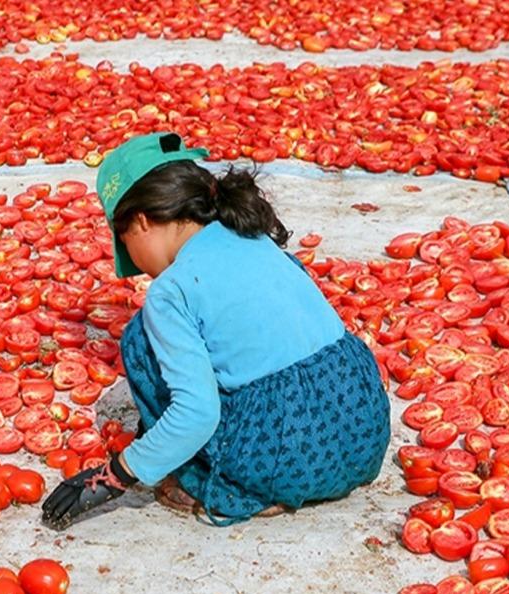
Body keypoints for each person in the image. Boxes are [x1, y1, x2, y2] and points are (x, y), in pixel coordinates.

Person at [41, 132, 391, 529]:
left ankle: (238, 486)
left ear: (139, 222)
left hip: (291, 459)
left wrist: (117, 474)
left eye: (122, 241)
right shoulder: (254, 236)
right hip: (363, 430)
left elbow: (197, 414)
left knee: (141, 340)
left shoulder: (170, 293)